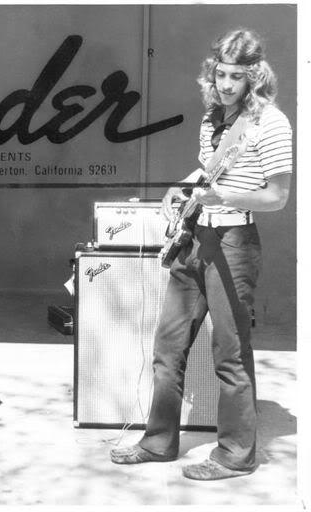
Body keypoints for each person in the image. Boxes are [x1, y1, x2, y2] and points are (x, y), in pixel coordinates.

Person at [110, 28, 292, 480]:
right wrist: (183, 187)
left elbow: (277, 197)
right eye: (221, 74)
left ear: (255, 76)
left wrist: (225, 196)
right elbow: (208, 174)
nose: (227, 84)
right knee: (168, 346)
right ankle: (158, 442)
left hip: (234, 243)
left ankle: (235, 455)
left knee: (229, 352)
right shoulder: (212, 118)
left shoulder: (271, 123)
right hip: (195, 239)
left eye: (236, 76)